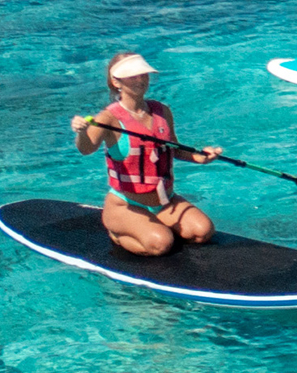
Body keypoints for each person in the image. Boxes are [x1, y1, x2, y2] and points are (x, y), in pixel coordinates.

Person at [70, 52, 218, 256]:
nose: (140, 80)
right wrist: (81, 132)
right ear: (116, 81)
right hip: (126, 205)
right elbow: (86, 149)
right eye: (132, 76)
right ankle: (117, 231)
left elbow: (173, 147)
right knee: (161, 244)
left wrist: (200, 157)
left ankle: (151, 226)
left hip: (165, 201)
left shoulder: (162, 111)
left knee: (203, 232)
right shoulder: (108, 118)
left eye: (143, 74)